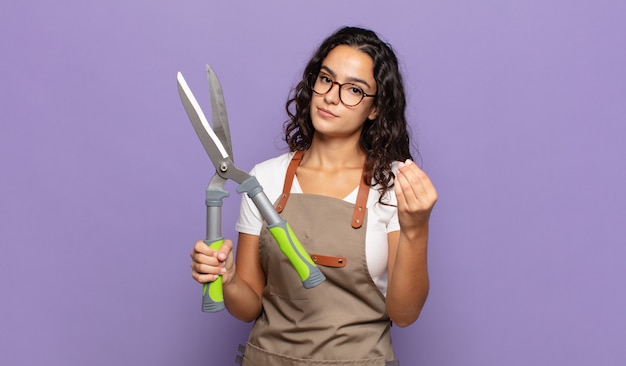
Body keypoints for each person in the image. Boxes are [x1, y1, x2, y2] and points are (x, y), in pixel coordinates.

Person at [190, 26, 438, 366]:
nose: (332, 97)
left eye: (354, 89)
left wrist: (416, 229)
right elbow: (247, 308)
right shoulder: (264, 178)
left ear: (376, 109)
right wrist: (229, 278)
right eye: (326, 79)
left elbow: (405, 313)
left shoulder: (394, 185)